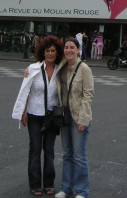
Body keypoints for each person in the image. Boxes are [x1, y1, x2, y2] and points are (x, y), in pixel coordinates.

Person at [12, 36, 64, 197]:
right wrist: (23, 111)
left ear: (57, 53)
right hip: (35, 114)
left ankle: (49, 183)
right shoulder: (33, 68)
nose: (50, 54)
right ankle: (35, 184)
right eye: (47, 51)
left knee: (49, 150)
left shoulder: (60, 70)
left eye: (53, 51)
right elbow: (25, 90)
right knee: (35, 149)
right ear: (43, 52)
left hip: (51, 117)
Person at [55, 37, 94, 198]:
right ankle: (66, 187)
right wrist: (28, 70)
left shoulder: (84, 68)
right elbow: (45, 63)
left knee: (79, 155)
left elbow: (88, 95)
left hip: (78, 115)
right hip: (64, 114)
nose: (68, 50)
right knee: (67, 154)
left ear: (78, 50)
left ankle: (82, 190)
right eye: (66, 47)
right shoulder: (62, 66)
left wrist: (83, 119)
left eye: (72, 47)